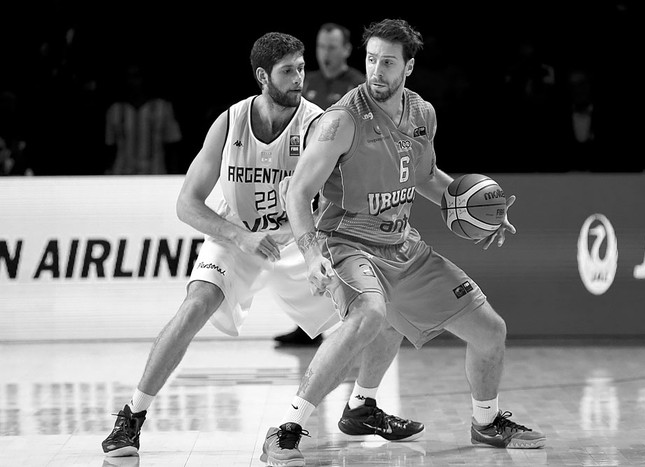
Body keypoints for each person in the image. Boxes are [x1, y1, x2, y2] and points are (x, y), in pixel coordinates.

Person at [101, 31, 423, 458]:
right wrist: (240, 236)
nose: (298, 78)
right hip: (238, 235)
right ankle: (133, 417)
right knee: (196, 303)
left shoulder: (319, 123)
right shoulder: (230, 122)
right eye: (288, 71)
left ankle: (362, 404)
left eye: (301, 69)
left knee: (385, 310)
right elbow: (186, 204)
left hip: (296, 240)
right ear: (262, 76)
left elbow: (336, 195)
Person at [260, 19, 546, 466]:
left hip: (402, 247)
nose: (376, 70)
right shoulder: (341, 121)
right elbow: (295, 192)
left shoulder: (422, 114)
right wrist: (312, 253)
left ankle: (482, 421)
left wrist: (469, 207)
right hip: (346, 242)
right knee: (371, 313)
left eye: (388, 62)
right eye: (371, 59)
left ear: (408, 67)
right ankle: (288, 427)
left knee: (491, 331)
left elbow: (427, 177)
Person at [274, 23, 366, 347]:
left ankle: (352, 322)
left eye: (332, 47)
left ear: (346, 49)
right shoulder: (305, 83)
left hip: (344, 183)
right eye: (321, 47)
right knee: (307, 251)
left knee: (340, 251)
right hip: (310, 180)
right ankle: (308, 326)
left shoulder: (359, 85)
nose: (326, 53)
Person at [104, 62, 183, 175]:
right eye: (129, 77)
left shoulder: (162, 108)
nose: (133, 82)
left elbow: (173, 146)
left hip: (155, 173)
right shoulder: (115, 110)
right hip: (121, 174)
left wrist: (173, 176)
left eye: (136, 76)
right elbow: (110, 147)